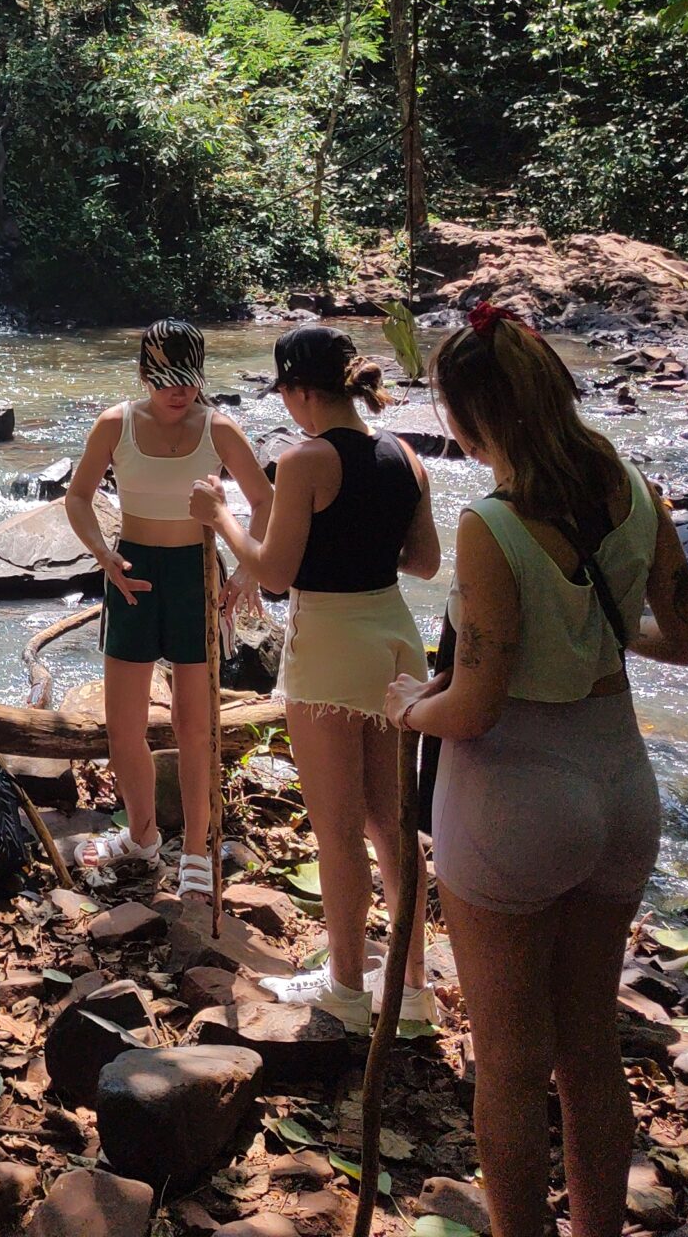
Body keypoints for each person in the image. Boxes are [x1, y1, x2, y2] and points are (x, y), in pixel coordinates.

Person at [383, 306, 688, 1237]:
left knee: (511, 1062)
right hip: (619, 786)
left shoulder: (491, 522)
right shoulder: (635, 488)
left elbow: (476, 704)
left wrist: (409, 705)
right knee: (591, 1052)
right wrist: (597, 635)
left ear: (465, 414)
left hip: (514, 801)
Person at [188, 326, 439, 1033]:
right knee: (394, 826)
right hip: (396, 640)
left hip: (328, 644)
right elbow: (422, 561)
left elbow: (273, 574)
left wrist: (222, 518)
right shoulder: (407, 456)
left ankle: (347, 991)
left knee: (336, 829)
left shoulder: (303, 460)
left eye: (287, 396)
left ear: (300, 391)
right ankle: (413, 992)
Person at [59, 319, 268, 901]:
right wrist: (103, 556)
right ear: (145, 374)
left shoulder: (218, 428)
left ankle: (198, 850)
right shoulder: (116, 424)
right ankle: (144, 836)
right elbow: (76, 497)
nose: (179, 392)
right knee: (124, 725)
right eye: (166, 379)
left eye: (189, 379)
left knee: (193, 725)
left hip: (196, 578)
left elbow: (264, 500)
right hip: (134, 576)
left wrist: (248, 568)